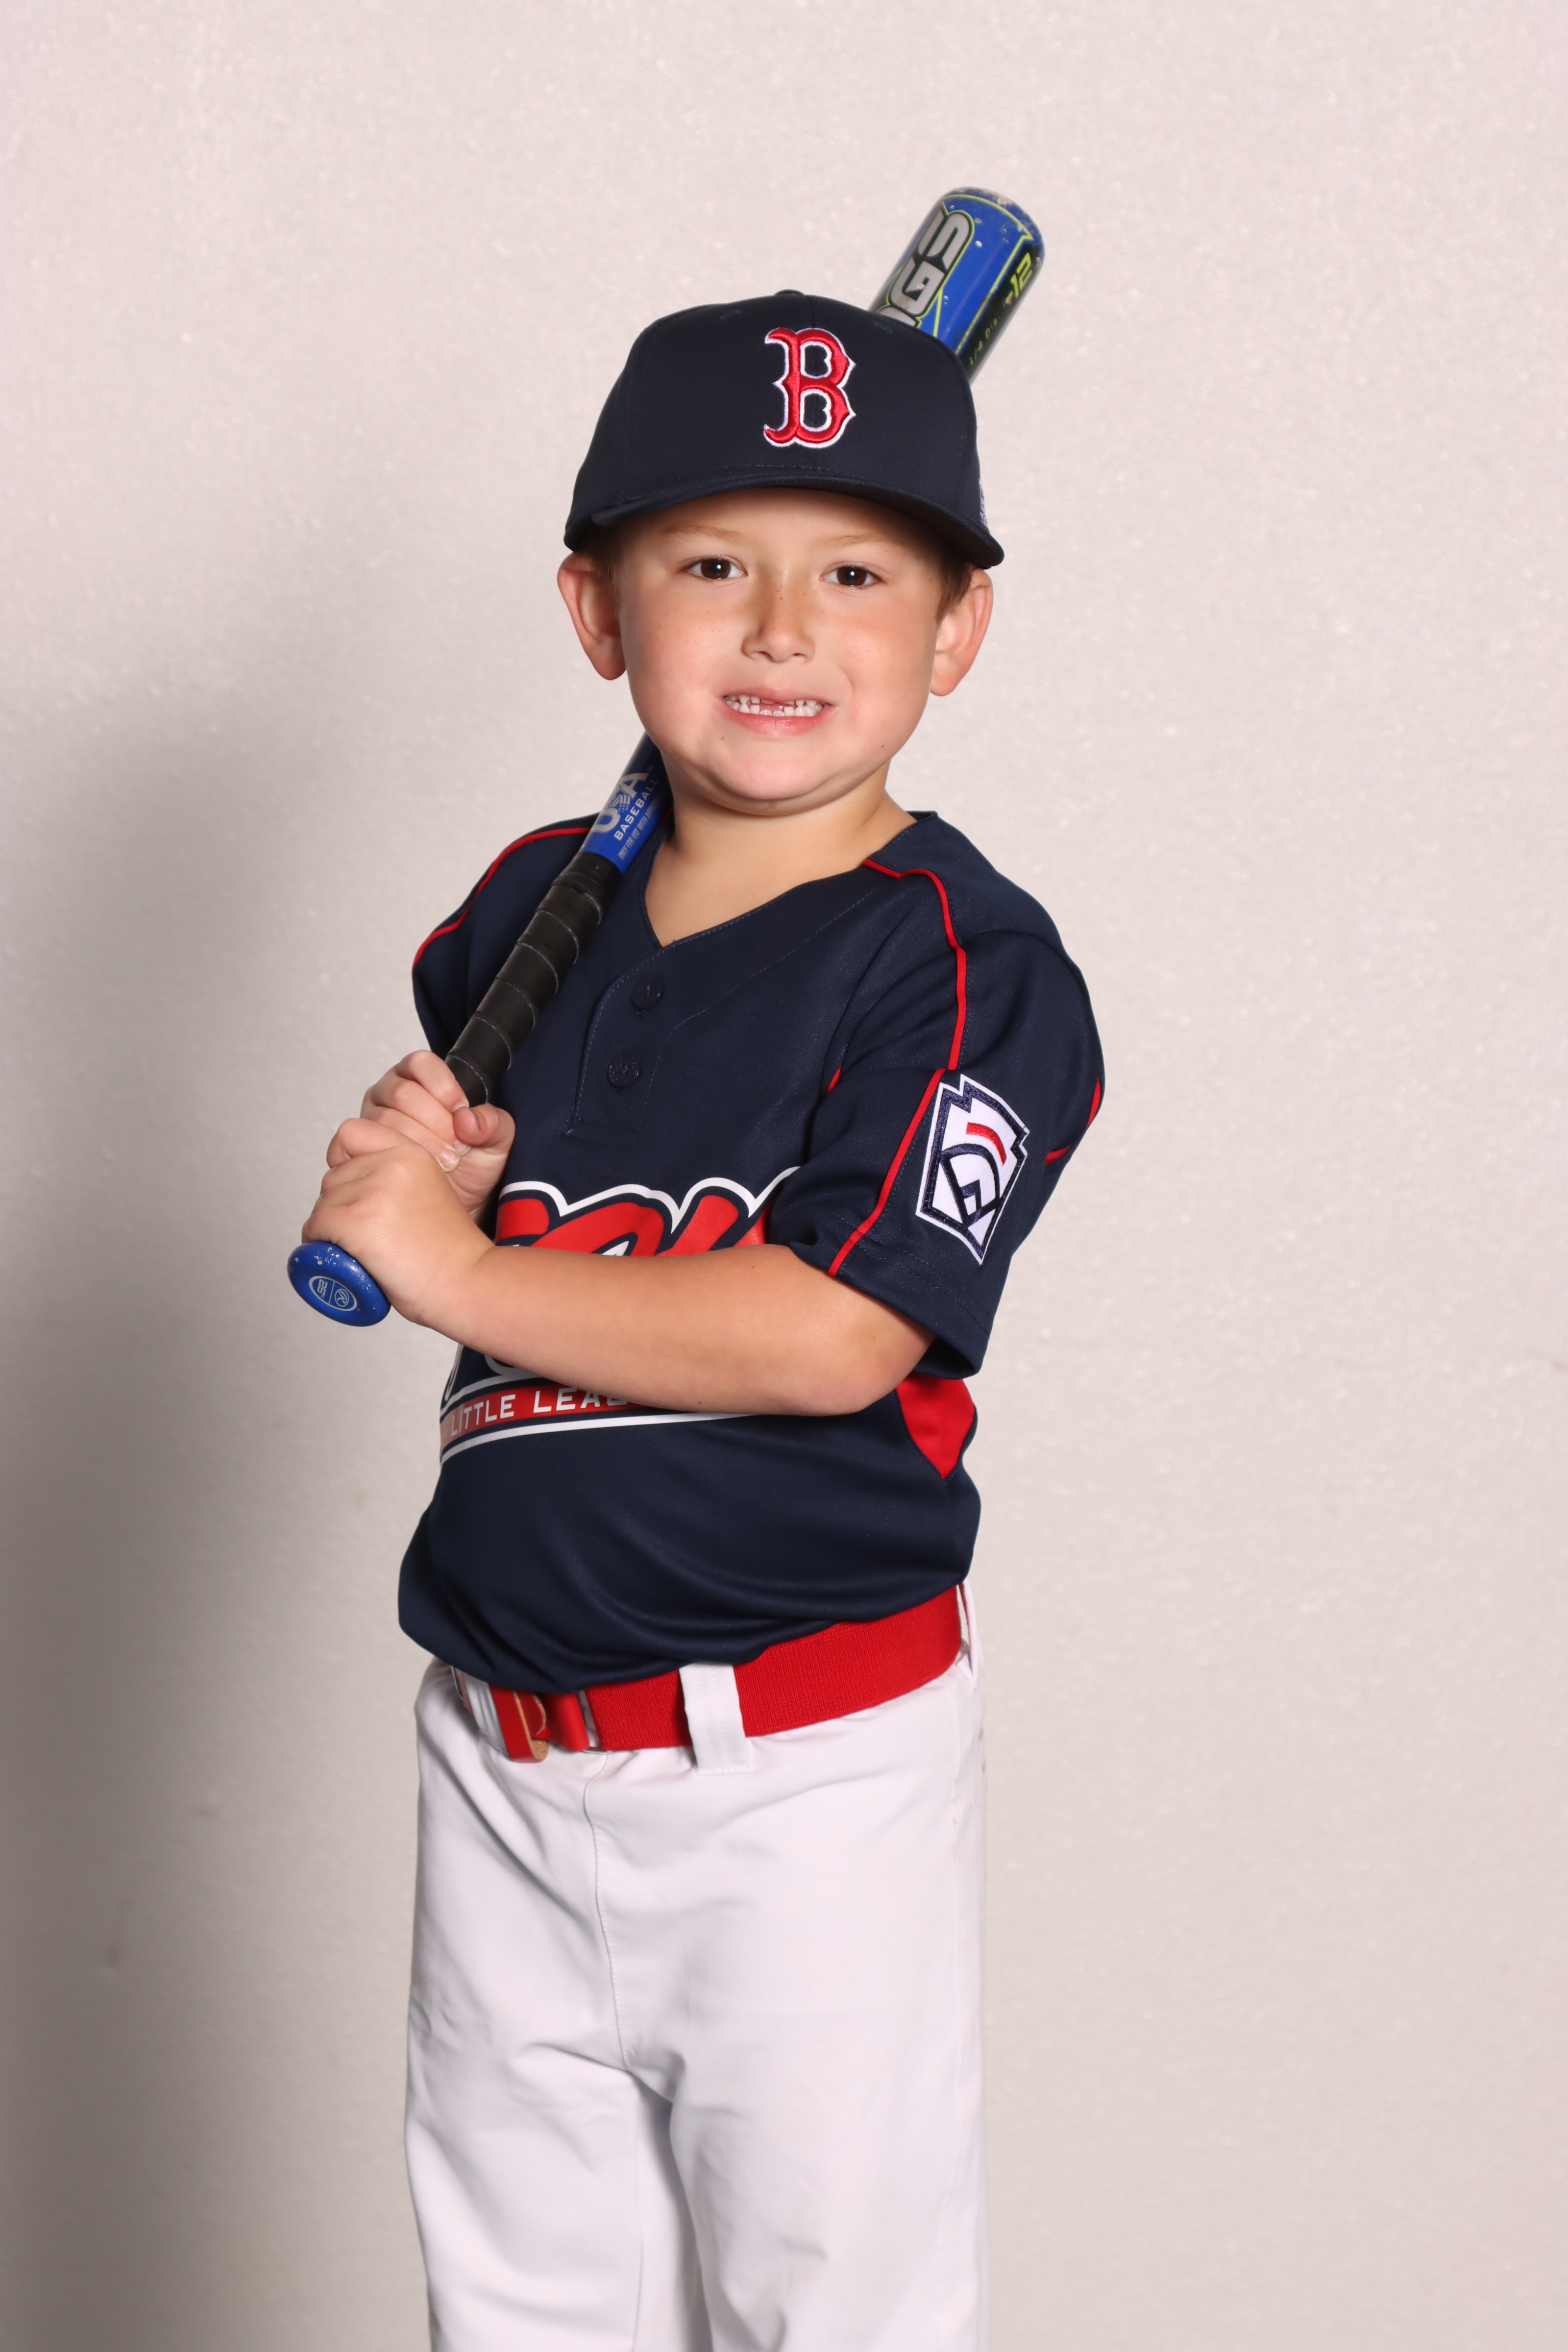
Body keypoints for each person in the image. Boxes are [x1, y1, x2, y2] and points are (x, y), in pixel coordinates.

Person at [303, 290, 1102, 2351]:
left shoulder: (963, 962)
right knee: (520, 2319)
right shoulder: (526, 916)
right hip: (499, 1750)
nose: (782, 630)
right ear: (599, 611)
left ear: (957, 632)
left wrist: (451, 1269)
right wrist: (437, 1174)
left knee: (832, 2317)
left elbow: (837, 1333)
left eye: (858, 575)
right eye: (712, 567)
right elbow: (507, 1185)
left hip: (799, 1778)